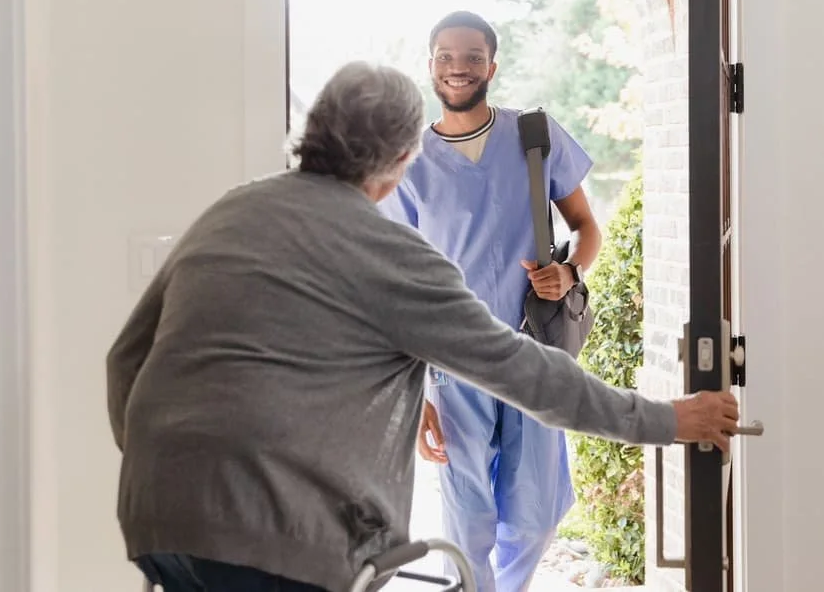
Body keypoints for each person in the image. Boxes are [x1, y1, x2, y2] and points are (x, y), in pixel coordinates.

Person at [106, 61, 739, 592]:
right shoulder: (385, 252)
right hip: (277, 533)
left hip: (157, 514)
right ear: (407, 157)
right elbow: (525, 370)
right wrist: (668, 420)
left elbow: (126, 359)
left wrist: (168, 465)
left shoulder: (234, 209)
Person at [379, 10, 606, 591]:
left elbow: (586, 228)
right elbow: (393, 283)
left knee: (535, 515)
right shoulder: (407, 161)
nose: (459, 68)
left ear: (492, 66)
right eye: (446, 57)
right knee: (466, 518)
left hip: (534, 355)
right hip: (452, 364)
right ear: (430, 66)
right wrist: (413, 390)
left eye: (472, 58)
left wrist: (569, 271)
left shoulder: (535, 136)